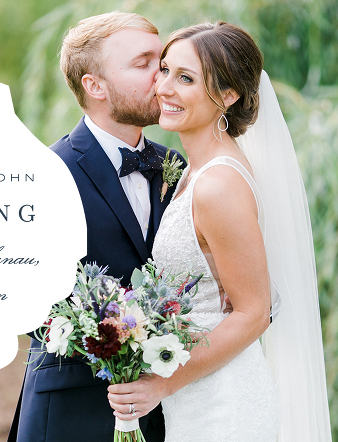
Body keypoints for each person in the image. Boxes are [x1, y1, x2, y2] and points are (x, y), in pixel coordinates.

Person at [107, 22, 331, 441]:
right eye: (165, 70)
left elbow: (253, 311)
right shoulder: (194, 171)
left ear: (227, 97)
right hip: (196, 397)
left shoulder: (218, 185)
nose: (164, 88)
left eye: (186, 78)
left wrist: (162, 384)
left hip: (224, 405)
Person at [8, 12, 184, 442]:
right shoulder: (44, 173)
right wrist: (111, 333)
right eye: (143, 65)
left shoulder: (176, 168)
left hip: (167, 409)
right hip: (70, 409)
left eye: (162, 65)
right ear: (95, 86)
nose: (161, 80)